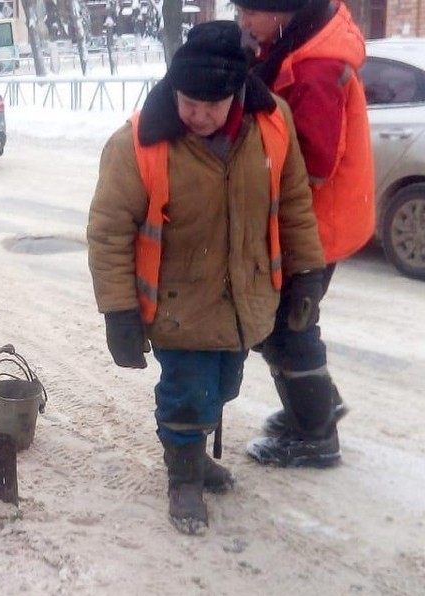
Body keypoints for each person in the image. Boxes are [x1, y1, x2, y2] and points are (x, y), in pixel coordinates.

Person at [87, 21, 325, 535]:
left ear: (238, 92)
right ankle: (184, 477)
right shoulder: (138, 144)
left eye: (211, 106)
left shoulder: (272, 124)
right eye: (188, 102)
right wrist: (119, 311)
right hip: (177, 305)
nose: (198, 115)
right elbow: (108, 233)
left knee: (222, 387)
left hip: (244, 300)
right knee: (188, 393)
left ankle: (193, 452)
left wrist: (307, 274)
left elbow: (294, 205)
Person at [234, 0, 374, 468]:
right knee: (281, 324)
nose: (243, 21)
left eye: (251, 11)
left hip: (314, 223)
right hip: (307, 218)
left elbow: (314, 163)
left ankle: (316, 435)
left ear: (281, 9)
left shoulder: (317, 66)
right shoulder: (290, 42)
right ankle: (316, 404)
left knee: (287, 326)